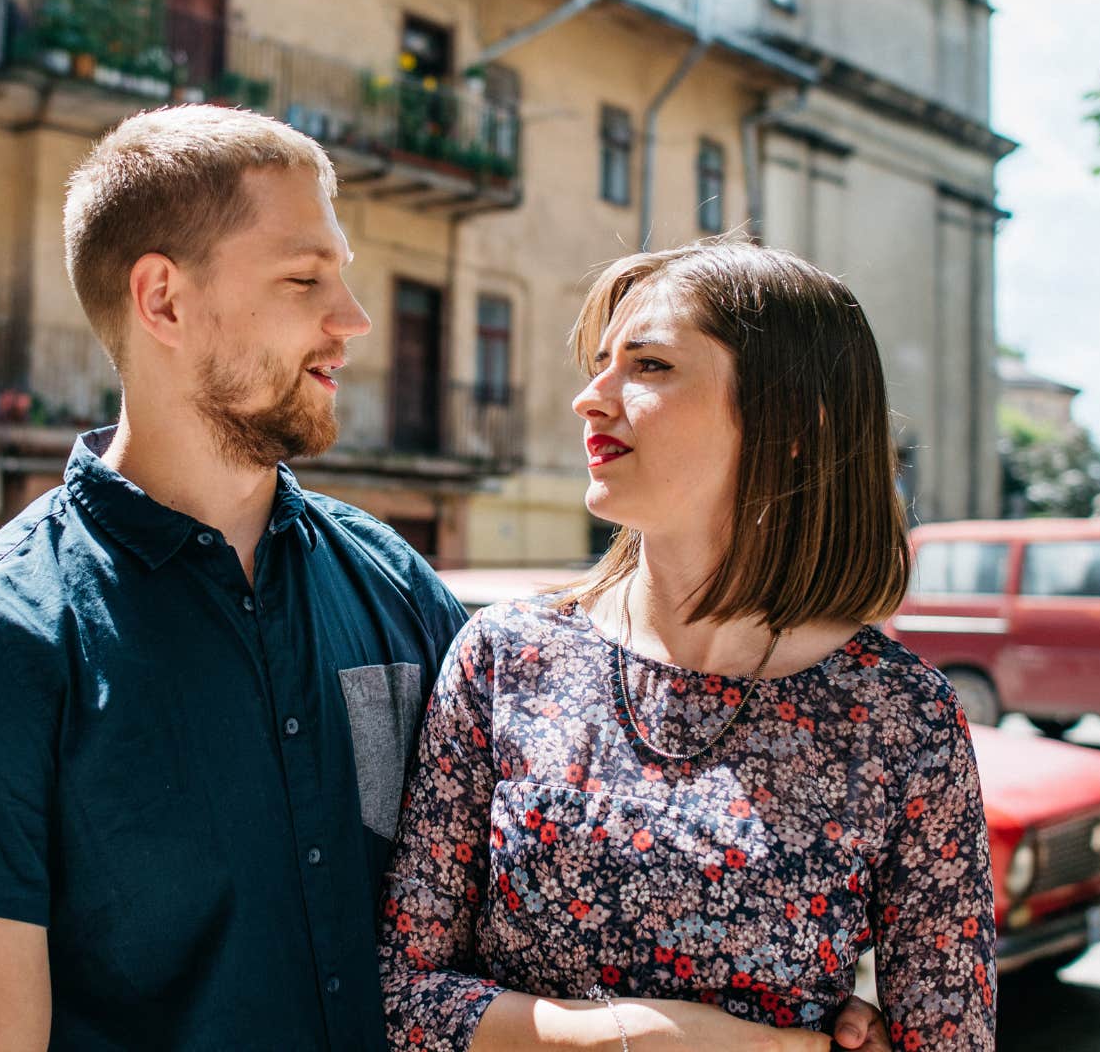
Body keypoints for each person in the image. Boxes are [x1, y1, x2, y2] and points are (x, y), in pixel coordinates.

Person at [0, 105, 897, 1051]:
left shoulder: (395, 586)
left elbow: (552, 872)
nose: (353, 319)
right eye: (305, 280)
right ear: (163, 299)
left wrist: (769, 983)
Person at [379, 241, 997, 1050]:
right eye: (601, 363)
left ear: (793, 423)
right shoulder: (507, 658)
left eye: (649, 366)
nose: (590, 400)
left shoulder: (902, 719)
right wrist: (629, 1038)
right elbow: (400, 996)